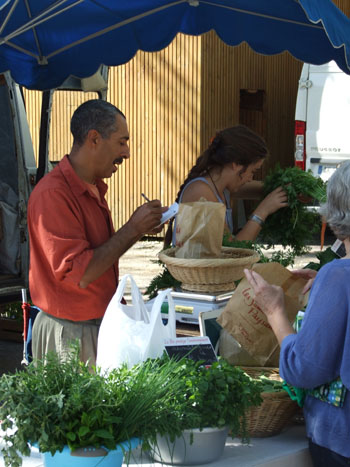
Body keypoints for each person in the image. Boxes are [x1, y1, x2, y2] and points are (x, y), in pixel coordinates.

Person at [28, 99, 165, 366]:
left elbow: (100, 255)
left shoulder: (92, 187)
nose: (126, 153)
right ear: (94, 139)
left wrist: (139, 230)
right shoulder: (54, 194)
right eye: (122, 142)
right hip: (71, 334)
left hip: (95, 326)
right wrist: (133, 228)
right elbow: (82, 275)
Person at [244, 160, 350, 466]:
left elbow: (302, 369)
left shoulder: (338, 276)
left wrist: (275, 311)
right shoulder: (336, 279)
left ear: (335, 214)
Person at [164, 125, 287, 247]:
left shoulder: (221, 186)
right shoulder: (201, 193)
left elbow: (261, 189)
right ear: (236, 164)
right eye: (253, 171)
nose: (251, 179)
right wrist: (263, 211)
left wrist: (288, 190)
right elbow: (233, 250)